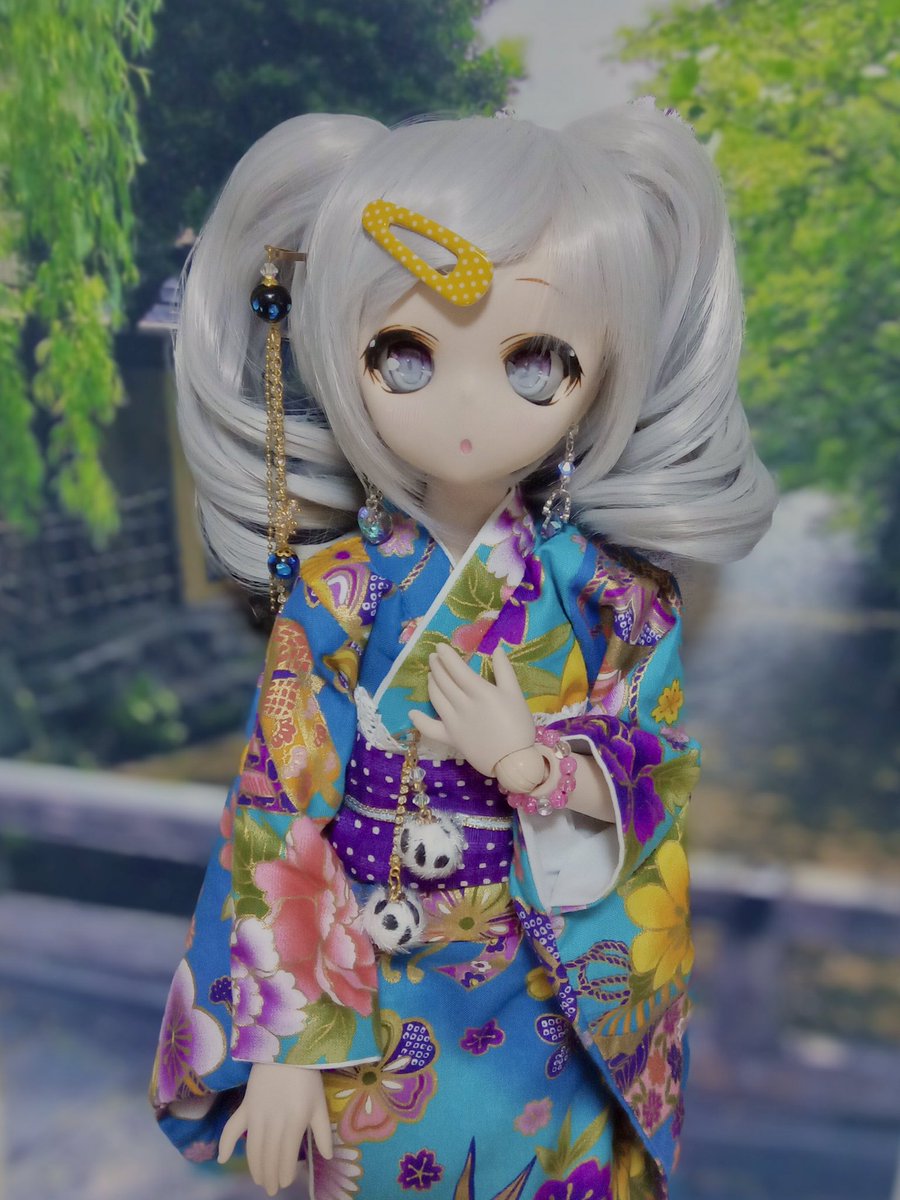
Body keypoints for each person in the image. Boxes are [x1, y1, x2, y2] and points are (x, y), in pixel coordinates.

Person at [150, 103, 775, 1199]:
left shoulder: (615, 599)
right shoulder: (339, 593)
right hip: (371, 988)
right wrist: (287, 1045)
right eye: (405, 356)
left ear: (604, 370)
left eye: (536, 363)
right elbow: (279, 806)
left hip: (544, 995)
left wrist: (532, 766)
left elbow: (659, 770)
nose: (471, 405)